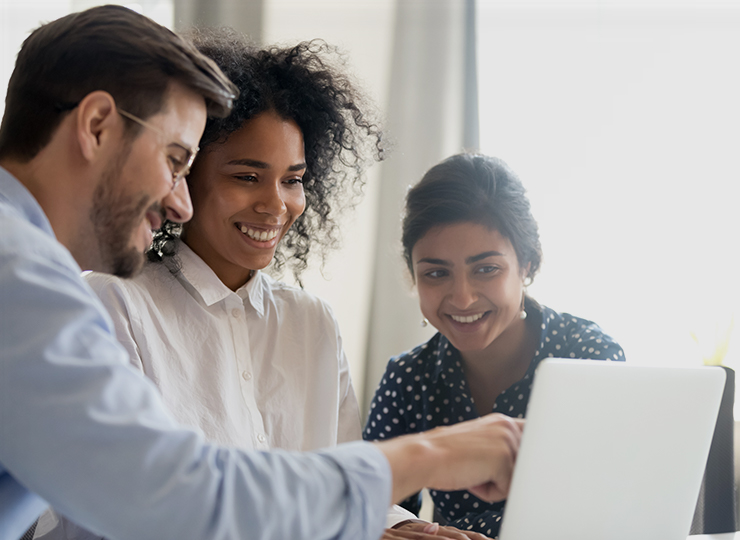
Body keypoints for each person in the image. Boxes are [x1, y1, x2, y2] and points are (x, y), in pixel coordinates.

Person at [0, 7, 523, 540]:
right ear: (96, 127)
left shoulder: (23, 264)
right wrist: (431, 455)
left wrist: (374, 526)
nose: (178, 202)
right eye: (176, 160)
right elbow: (175, 496)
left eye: (292, 179)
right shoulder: (30, 282)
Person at [364, 153, 625, 538]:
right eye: (436, 273)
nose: (463, 298)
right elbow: (372, 499)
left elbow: (614, 506)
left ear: (527, 264)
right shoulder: (408, 377)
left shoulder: (588, 357)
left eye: (486, 269)